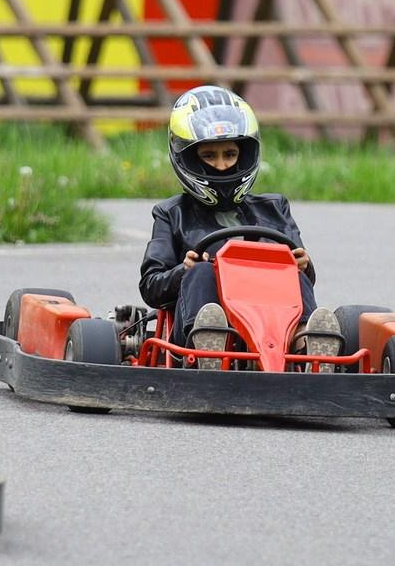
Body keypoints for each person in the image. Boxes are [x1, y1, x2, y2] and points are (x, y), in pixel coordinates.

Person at [138, 86, 339, 367]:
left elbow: (302, 272)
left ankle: (307, 342)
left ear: (244, 155)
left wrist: (305, 265)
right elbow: (150, 287)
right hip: (197, 328)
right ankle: (209, 343)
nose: (221, 166)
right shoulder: (172, 214)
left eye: (230, 154)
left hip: (271, 321)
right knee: (202, 271)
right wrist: (183, 271)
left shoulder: (274, 208)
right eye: (209, 156)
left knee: (290, 268)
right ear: (187, 157)